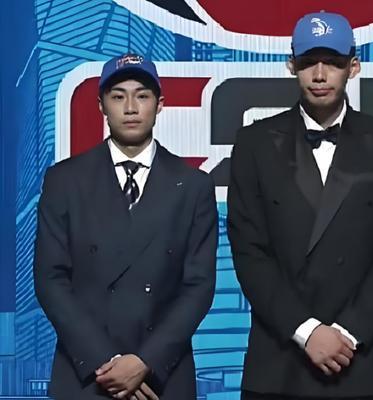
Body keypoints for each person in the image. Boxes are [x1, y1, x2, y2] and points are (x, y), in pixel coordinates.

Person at [227, 11, 373, 400]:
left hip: (360, 361)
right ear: (291, 65)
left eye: (331, 62)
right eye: (308, 63)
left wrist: (346, 333)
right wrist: (306, 330)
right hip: (278, 361)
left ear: (353, 67)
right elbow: (249, 251)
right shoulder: (254, 143)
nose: (319, 75)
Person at [33, 53, 218, 399]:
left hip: (161, 377)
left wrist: (145, 362)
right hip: (87, 375)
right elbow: (50, 280)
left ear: (160, 105)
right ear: (101, 105)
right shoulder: (64, 181)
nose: (131, 108)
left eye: (142, 96)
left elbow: (199, 286)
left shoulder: (193, 185)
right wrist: (108, 363)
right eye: (118, 97)